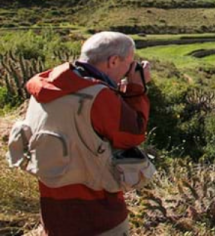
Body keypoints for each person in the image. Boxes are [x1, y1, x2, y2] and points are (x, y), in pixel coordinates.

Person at [23, 31, 152, 236]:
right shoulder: (97, 96)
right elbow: (133, 134)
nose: (129, 70)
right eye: (128, 64)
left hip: (53, 207)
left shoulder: (44, 85)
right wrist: (136, 87)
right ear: (113, 61)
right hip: (98, 212)